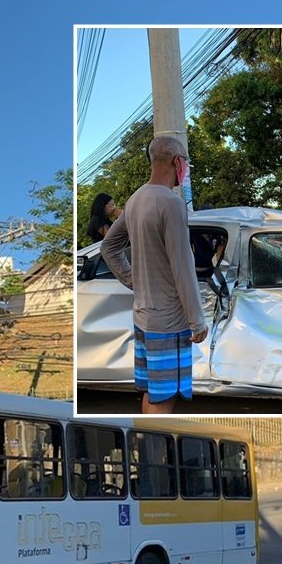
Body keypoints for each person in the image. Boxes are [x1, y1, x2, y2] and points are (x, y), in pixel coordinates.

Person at [100, 135, 208, 414]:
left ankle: (147, 454)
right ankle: (155, 457)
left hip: (143, 317)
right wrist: (197, 321)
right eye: (184, 163)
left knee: (153, 392)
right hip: (170, 322)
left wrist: (133, 279)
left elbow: (109, 247)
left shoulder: (136, 200)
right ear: (176, 161)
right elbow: (182, 266)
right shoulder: (171, 204)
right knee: (166, 397)